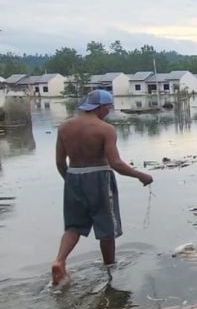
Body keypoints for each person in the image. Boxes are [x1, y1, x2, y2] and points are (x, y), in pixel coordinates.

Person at [51, 90, 153, 285]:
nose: (109, 111)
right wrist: (142, 175)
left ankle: (59, 261)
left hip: (73, 177)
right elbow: (116, 164)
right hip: (99, 178)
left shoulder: (64, 128)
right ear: (101, 107)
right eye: (108, 107)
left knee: (73, 227)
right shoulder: (105, 129)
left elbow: (59, 161)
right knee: (107, 229)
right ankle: (110, 269)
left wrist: (70, 181)